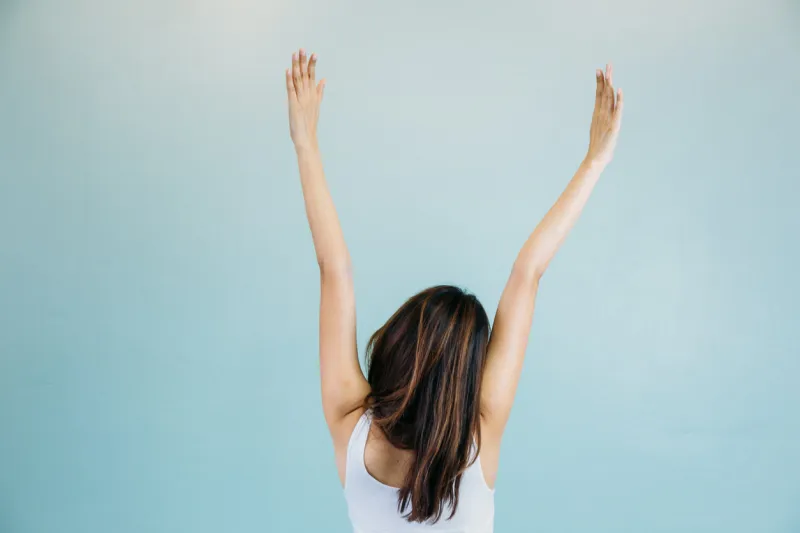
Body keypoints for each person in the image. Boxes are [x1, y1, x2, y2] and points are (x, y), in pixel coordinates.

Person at [284, 48, 623, 532]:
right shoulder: (480, 437)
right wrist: (595, 160)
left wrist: (305, 144)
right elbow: (528, 273)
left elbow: (333, 269)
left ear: (399, 342)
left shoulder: (349, 423)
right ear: (466, 377)